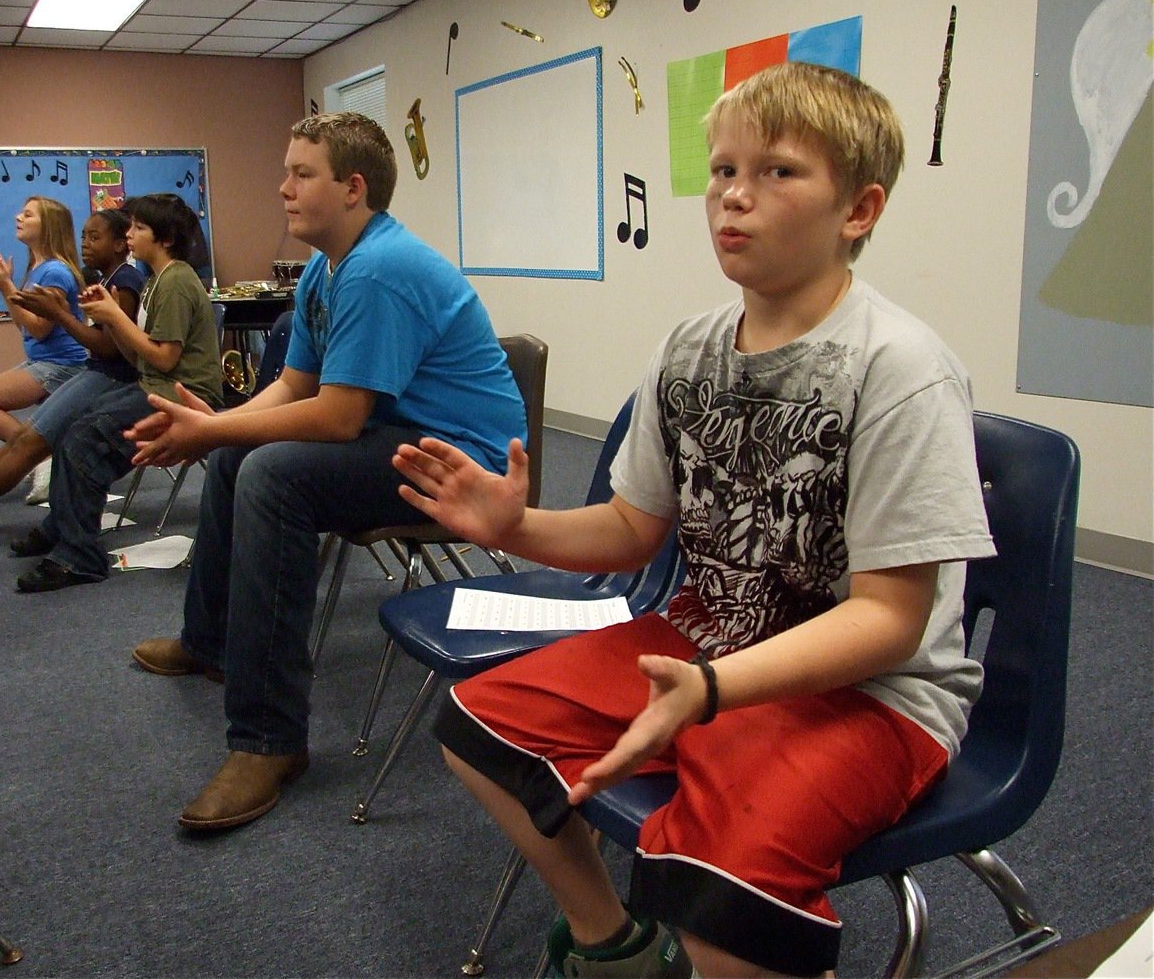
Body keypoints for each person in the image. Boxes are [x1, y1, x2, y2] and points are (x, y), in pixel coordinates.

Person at [391, 62, 996, 978]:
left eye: (777, 172)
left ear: (859, 210)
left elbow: (892, 619)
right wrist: (515, 529)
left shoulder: (902, 367)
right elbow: (633, 531)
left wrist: (712, 695)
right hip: (700, 646)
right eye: (721, 171)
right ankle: (613, 947)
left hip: (870, 691)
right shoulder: (689, 347)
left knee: (712, 881)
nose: (734, 198)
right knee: (480, 727)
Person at [125, 112, 527, 832]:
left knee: (274, 474)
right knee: (240, 455)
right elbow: (292, 387)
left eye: (300, 173)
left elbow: (337, 417)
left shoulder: (379, 268)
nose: (282, 187)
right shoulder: (325, 267)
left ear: (353, 188)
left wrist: (213, 426)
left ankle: (269, 740)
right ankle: (209, 640)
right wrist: (219, 430)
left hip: (463, 460)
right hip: (402, 434)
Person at [9, 193, 223, 593]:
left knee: (85, 439)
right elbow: (136, 355)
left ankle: (80, 557)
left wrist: (112, 318)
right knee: (73, 426)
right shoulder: (158, 279)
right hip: (156, 384)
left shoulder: (175, 281)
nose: (129, 233)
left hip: (181, 395)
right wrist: (109, 315)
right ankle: (62, 526)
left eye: (139, 228)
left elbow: (163, 358)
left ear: (166, 239)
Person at [0, 209, 143, 521]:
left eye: (95, 237)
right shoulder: (107, 278)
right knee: (23, 441)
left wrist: (58, 314)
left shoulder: (124, 280)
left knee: (27, 444)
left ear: (121, 244)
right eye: (84, 236)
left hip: (107, 377)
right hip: (96, 373)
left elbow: (111, 349)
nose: (85, 244)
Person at [0, 196, 88, 469]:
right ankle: (44, 456)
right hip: (44, 361)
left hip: (62, 365)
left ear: (49, 227)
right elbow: (24, 324)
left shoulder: (55, 271)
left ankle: (40, 457)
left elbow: (40, 329)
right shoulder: (38, 269)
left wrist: (6, 286)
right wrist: (5, 287)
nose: (18, 218)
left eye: (28, 215)